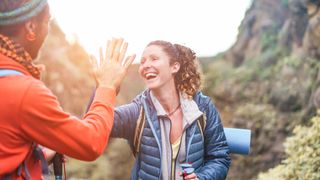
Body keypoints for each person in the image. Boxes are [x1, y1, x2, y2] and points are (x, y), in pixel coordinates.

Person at [0, 0, 135, 179]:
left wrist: (36, 155)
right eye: (47, 21)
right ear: (31, 27)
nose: (47, 29)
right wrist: (107, 86)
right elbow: (90, 143)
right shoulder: (25, 91)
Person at [110, 40, 231, 180]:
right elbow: (97, 125)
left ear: (174, 67)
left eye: (154, 59)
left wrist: (202, 177)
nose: (146, 65)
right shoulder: (138, 111)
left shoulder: (203, 107)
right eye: (142, 62)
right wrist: (106, 85)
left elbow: (219, 157)